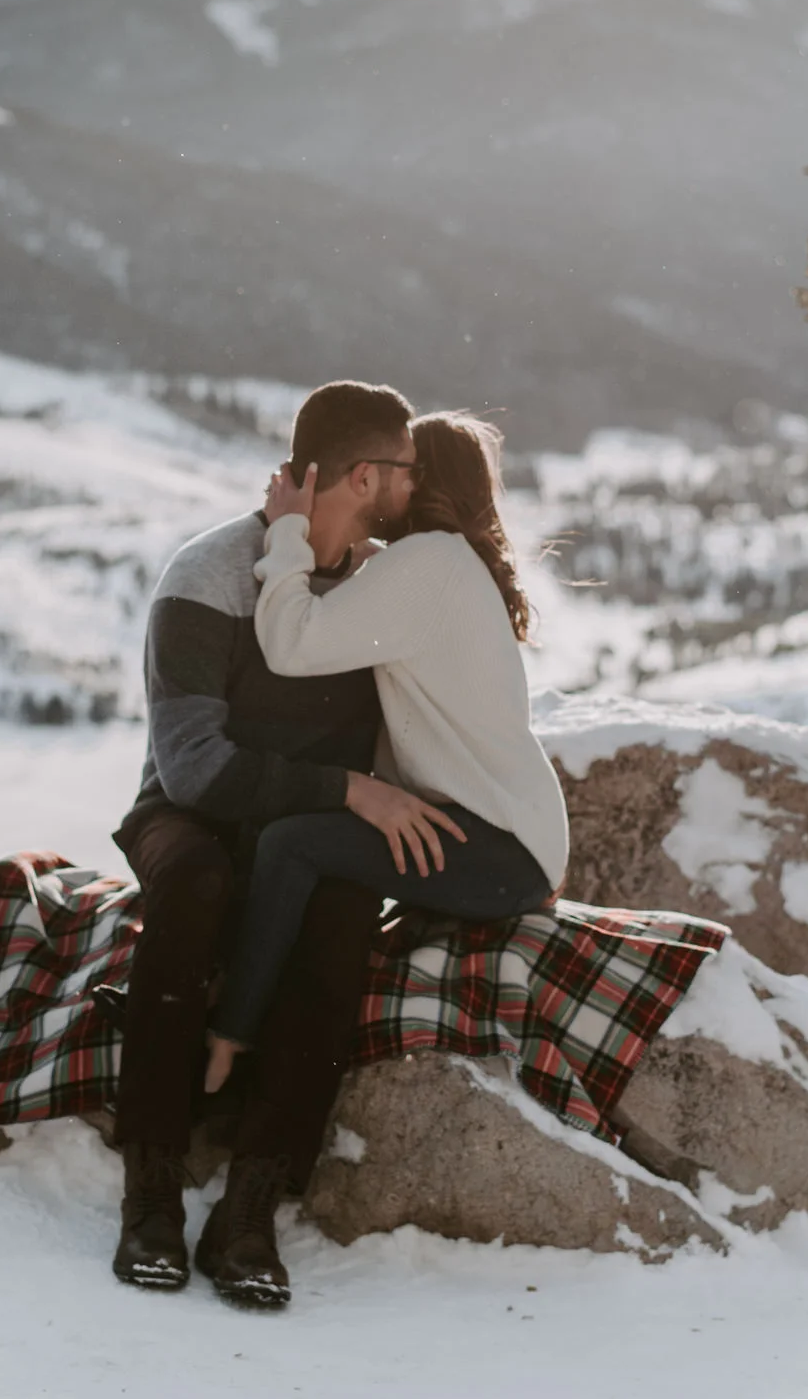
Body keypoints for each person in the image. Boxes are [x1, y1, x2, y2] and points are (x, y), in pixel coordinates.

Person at [109, 379, 463, 1308]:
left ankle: (252, 1208)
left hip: (307, 834)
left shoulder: (383, 589)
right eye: (404, 471)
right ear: (361, 475)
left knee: (339, 911)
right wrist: (348, 787)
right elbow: (192, 770)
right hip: (192, 815)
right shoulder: (207, 573)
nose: (413, 487)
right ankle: (150, 1187)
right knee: (194, 880)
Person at [202, 411, 568, 1097]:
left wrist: (287, 531)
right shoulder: (440, 564)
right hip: (505, 835)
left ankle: (228, 1038)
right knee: (314, 857)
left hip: (499, 847)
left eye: (397, 471)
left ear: (419, 481)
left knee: (290, 845)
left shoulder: (426, 564)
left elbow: (292, 644)